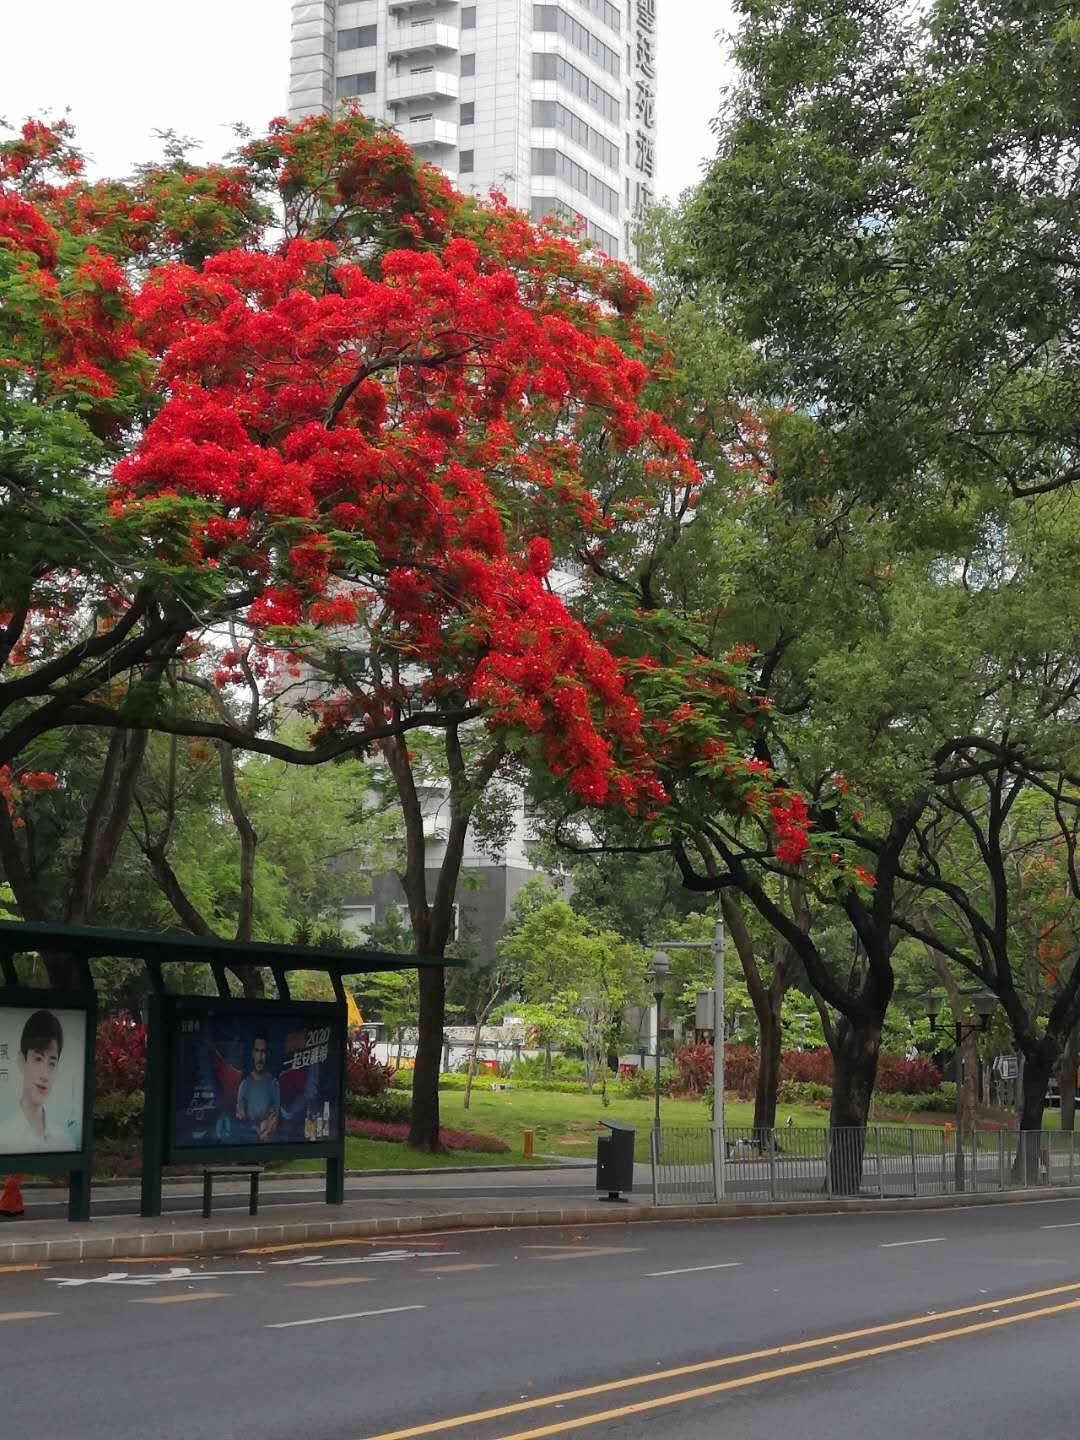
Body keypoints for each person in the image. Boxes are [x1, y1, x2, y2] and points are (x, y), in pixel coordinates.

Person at [0, 1010, 67, 1153]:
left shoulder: (64, 1140)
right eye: (38, 1059)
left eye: (52, 1063)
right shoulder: (3, 1137)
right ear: (22, 1061)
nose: (45, 1075)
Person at [235, 1034, 280, 1141]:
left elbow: (276, 1118)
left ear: (267, 1054)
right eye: (257, 1051)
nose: (260, 1056)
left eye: (263, 1052)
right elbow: (240, 1118)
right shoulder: (245, 1084)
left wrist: (268, 1128)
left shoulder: (273, 1084)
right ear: (252, 1053)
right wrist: (259, 1127)